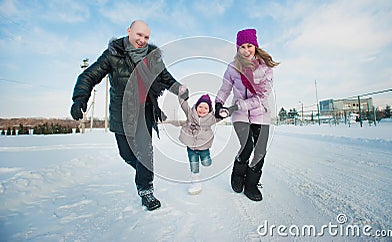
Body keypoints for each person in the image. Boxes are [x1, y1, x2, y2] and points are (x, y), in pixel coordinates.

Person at [70, 20, 188, 211]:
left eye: (146, 37)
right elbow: (90, 75)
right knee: (126, 153)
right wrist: (79, 99)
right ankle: (144, 170)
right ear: (129, 31)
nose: (142, 40)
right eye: (139, 35)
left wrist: (179, 88)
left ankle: (146, 190)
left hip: (145, 111)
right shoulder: (113, 54)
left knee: (145, 151)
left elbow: (165, 77)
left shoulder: (153, 57)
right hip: (122, 112)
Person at [215, 28, 279, 201]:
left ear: (255, 46)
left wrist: (237, 106)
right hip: (240, 116)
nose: (246, 50)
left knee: (260, 152)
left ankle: (251, 185)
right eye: (242, 46)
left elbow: (262, 96)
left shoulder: (265, 68)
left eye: (249, 45)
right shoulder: (232, 68)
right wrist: (218, 103)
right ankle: (237, 173)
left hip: (260, 113)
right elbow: (224, 89)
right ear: (237, 49)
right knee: (247, 147)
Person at [177, 93, 231, 195]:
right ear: (196, 107)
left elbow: (223, 115)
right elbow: (183, 104)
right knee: (194, 165)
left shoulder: (211, 119)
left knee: (206, 163)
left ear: (209, 110)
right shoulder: (190, 114)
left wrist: (228, 111)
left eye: (205, 108)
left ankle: (207, 160)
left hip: (204, 148)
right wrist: (181, 95)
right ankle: (195, 182)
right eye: (200, 106)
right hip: (191, 147)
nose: (202, 109)